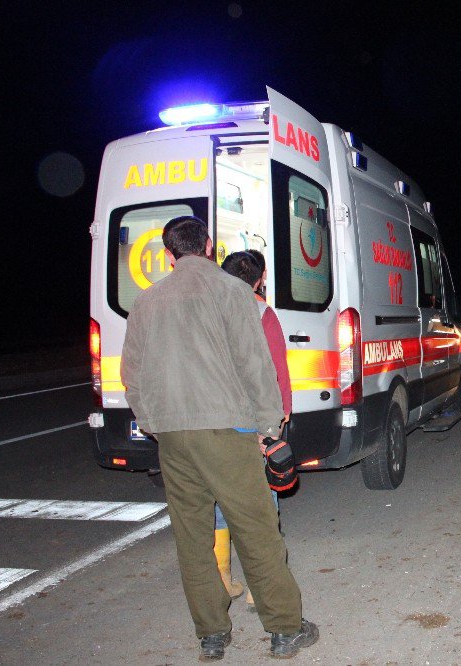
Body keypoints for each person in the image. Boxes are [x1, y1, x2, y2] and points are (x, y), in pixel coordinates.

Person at [121, 216, 317, 661]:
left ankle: (211, 635)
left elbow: (131, 375)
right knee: (255, 528)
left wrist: (153, 421)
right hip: (227, 432)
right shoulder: (233, 293)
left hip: (172, 436)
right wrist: (269, 429)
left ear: (168, 255)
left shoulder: (146, 302)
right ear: (209, 246)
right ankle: (285, 629)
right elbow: (255, 365)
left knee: (192, 535)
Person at [219, 251, 292, 612]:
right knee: (263, 498)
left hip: (213, 419)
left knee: (220, 498)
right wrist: (279, 420)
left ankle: (221, 578)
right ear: (260, 279)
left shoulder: (207, 309)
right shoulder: (262, 313)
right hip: (253, 418)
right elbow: (277, 369)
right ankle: (257, 585)